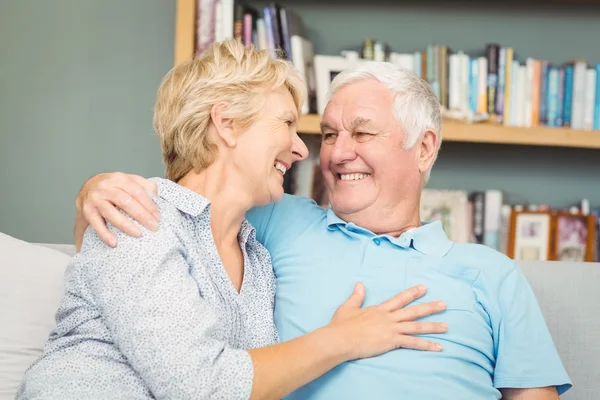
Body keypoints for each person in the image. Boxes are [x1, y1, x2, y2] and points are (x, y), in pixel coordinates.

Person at [74, 61, 572, 399]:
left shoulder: (491, 273)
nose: (334, 152)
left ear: (424, 149)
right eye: (329, 134)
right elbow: (158, 221)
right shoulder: (278, 220)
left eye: (362, 132)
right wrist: (94, 190)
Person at [16, 40, 450, 400]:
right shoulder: (139, 216)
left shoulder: (258, 259)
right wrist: (343, 339)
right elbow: (201, 386)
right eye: (286, 123)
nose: (302, 150)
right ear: (225, 124)